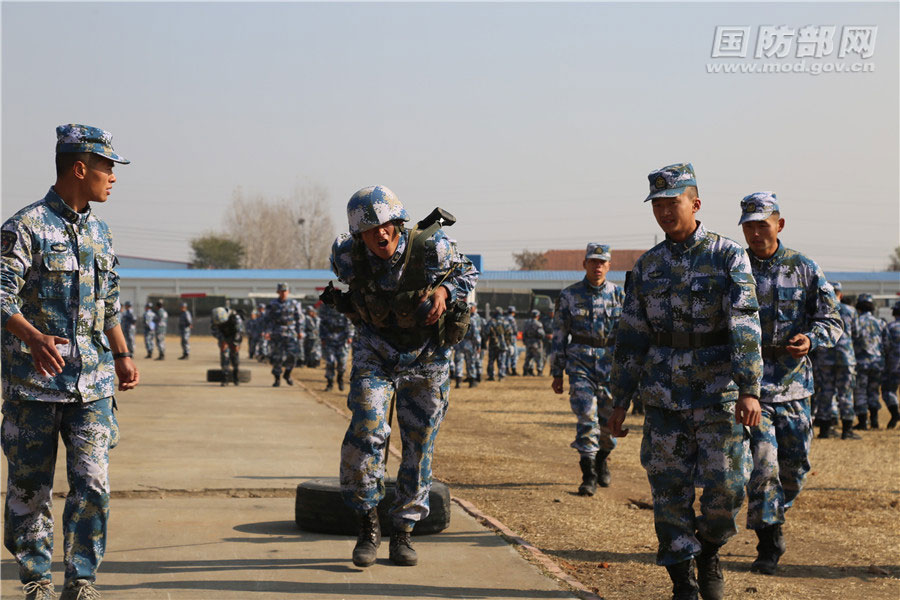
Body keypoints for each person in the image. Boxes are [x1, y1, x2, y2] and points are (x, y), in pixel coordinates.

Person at [608, 162, 762, 600]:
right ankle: (682, 581)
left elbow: (746, 324)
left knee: (728, 489)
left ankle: (709, 549)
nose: (664, 212)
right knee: (668, 492)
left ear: (695, 203)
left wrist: (749, 388)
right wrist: (619, 401)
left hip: (718, 394)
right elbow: (631, 337)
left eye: (672, 202)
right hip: (663, 396)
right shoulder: (646, 267)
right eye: (657, 205)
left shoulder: (728, 255)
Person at [1, 123, 139, 600]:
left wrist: (121, 353)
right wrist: (34, 337)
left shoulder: (101, 233)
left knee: (93, 485)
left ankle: (81, 580)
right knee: (29, 489)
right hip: (33, 386)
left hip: (93, 385)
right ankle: (36, 579)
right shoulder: (25, 227)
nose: (113, 177)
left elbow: (109, 304)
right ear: (80, 169)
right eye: (107, 168)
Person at [322, 185, 477, 567]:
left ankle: (404, 532)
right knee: (367, 430)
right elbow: (347, 291)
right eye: (370, 229)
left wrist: (444, 291)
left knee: (418, 445)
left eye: (387, 224)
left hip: (427, 358)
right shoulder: (346, 255)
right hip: (375, 352)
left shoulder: (431, 246)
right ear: (358, 235)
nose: (380, 235)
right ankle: (367, 525)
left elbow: (469, 274)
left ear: (399, 222)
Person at [737, 192, 842, 575]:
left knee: (795, 468)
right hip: (752, 387)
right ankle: (769, 541)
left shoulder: (804, 267)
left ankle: (775, 513)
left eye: (762, 224)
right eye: (748, 225)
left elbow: (833, 320)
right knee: (763, 464)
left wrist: (812, 339)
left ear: (779, 225)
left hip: (796, 386)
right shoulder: (735, 267)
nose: (755, 232)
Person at [551, 243, 624, 495]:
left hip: (611, 367)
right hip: (580, 364)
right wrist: (556, 372)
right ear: (584, 264)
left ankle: (603, 458)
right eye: (593, 262)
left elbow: (629, 336)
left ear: (609, 266)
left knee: (609, 424)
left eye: (602, 262)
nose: (598, 267)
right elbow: (559, 335)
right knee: (586, 417)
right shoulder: (569, 296)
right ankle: (588, 475)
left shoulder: (619, 295)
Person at [811, 281, 860, 439]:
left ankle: (824, 430)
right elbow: (857, 334)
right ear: (841, 294)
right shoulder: (850, 310)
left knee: (826, 392)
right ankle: (847, 430)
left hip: (825, 356)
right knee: (845, 393)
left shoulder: (820, 309)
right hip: (845, 357)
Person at [853, 293, 888, 429]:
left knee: (860, 391)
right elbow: (887, 343)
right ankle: (874, 421)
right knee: (873, 391)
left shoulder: (856, 322)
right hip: (877, 362)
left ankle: (862, 422)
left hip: (861, 362)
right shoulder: (880, 322)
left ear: (859, 306)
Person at [264, 283, 304, 387]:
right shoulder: (272, 304)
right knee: (277, 357)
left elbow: (299, 319)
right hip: (277, 332)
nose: (283, 293)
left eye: (285, 291)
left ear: (288, 291)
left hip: (291, 333)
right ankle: (277, 378)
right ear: (278, 292)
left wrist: (300, 331)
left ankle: (287, 374)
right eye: (281, 291)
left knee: (292, 355)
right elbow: (268, 320)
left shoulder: (295, 303)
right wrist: (267, 332)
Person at [319, 303, 354, 391]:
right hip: (329, 340)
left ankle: (340, 378)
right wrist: (322, 337)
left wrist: (349, 336)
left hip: (342, 341)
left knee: (342, 362)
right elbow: (322, 325)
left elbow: (349, 324)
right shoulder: (326, 310)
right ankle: (329, 383)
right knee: (330, 362)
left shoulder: (344, 310)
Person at [211, 306, 244, 386]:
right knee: (224, 356)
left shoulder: (235, 317)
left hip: (234, 336)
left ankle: (236, 377)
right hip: (224, 337)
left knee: (234, 356)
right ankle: (225, 378)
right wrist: (222, 340)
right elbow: (214, 331)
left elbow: (240, 331)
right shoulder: (215, 317)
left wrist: (236, 343)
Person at [884, 300, 900, 429]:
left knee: (889, 390)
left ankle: (895, 414)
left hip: (894, 365)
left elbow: (885, 346)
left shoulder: (890, 327)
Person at [460, 303, 483, 387]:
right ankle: (472, 380)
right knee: (471, 362)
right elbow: (476, 334)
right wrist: (478, 345)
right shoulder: (472, 320)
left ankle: (466, 379)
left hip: (462, 343)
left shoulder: (461, 318)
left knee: (465, 361)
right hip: (471, 343)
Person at [484, 308, 508, 381]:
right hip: (503, 345)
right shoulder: (505, 321)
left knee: (491, 360)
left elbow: (486, 332)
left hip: (493, 344)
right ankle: (501, 376)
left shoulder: (491, 321)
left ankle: (491, 376)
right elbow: (509, 333)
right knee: (502, 361)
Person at [522, 309, 545, 376]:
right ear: (537, 316)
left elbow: (524, 333)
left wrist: (525, 341)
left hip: (528, 342)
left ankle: (525, 371)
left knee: (528, 357)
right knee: (539, 358)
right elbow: (541, 334)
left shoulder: (526, 323)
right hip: (536, 343)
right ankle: (539, 371)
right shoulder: (538, 324)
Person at [504, 306, 519, 375]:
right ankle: (513, 369)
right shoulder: (512, 319)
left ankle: (506, 369)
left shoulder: (505, 318)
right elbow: (515, 329)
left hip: (506, 338)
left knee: (508, 353)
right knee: (514, 353)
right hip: (512, 338)